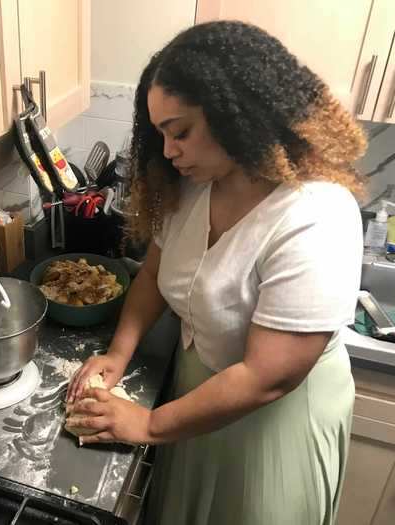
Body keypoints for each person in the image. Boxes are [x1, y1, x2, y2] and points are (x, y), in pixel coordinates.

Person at [66, 20, 367, 525]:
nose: (168, 151)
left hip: (272, 429)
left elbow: (267, 378)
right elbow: (154, 275)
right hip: (196, 408)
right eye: (160, 134)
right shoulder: (194, 184)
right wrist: (118, 354)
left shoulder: (316, 214)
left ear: (236, 115)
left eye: (180, 132)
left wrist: (149, 424)